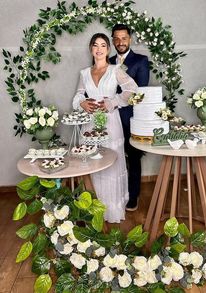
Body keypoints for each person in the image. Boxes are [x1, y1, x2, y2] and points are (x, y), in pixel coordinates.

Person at [72, 33, 137, 223]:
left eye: (103, 45)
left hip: (110, 124)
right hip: (90, 124)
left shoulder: (115, 69)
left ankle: (111, 212)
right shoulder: (84, 73)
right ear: (91, 49)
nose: (99, 49)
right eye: (95, 45)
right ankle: (93, 211)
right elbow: (77, 97)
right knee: (92, 163)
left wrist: (112, 103)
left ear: (108, 50)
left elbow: (132, 90)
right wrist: (83, 103)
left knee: (111, 164)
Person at [110, 24, 150, 211]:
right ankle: (116, 194)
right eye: (116, 39)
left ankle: (133, 196)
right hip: (110, 118)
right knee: (113, 157)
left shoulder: (140, 61)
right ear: (112, 41)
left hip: (131, 118)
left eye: (124, 38)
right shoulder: (107, 61)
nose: (120, 42)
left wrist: (116, 101)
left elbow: (139, 94)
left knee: (133, 157)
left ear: (130, 39)